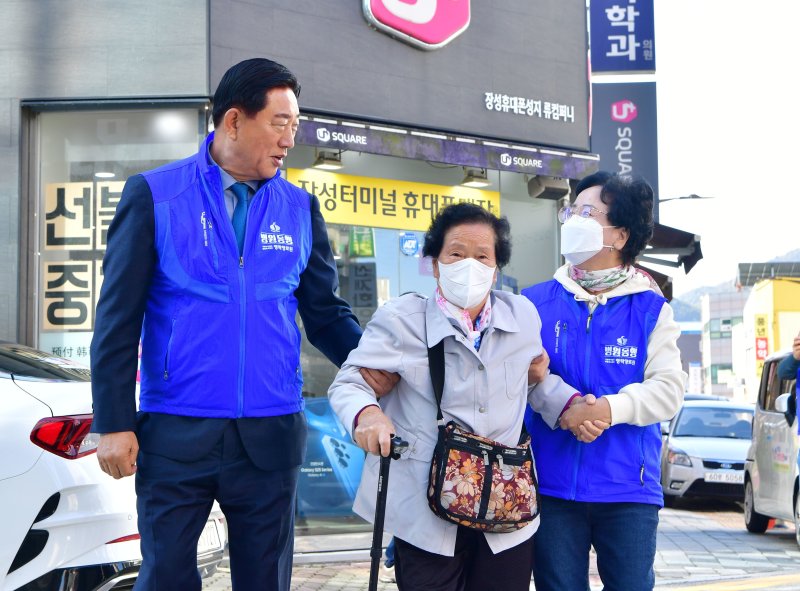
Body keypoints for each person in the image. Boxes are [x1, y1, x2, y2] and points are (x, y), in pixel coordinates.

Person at [89, 58, 393, 591]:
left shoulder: (299, 207)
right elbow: (118, 317)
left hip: (270, 432)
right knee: (166, 579)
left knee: (264, 582)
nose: (289, 140)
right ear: (234, 121)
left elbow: (325, 313)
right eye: (280, 123)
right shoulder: (157, 195)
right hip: (176, 431)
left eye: (295, 126)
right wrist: (113, 420)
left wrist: (382, 369)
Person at [327, 202, 594, 591]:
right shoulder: (401, 319)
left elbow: (534, 381)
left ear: (496, 267)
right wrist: (366, 414)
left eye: (482, 255)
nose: (469, 264)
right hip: (425, 508)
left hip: (506, 508)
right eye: (456, 253)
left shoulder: (522, 316)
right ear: (435, 263)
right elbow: (350, 382)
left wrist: (570, 406)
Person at [521, 171, 687, 591]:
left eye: (587, 212)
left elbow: (668, 390)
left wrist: (607, 410)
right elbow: (521, 375)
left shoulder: (651, 308)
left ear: (620, 235)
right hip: (553, 484)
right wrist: (566, 409)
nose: (573, 218)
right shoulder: (533, 302)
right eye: (572, 210)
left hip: (628, 488)